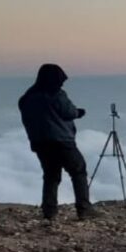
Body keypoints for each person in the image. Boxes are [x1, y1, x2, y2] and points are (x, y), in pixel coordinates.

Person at [19, 64, 98, 220]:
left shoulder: (27, 97)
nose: (62, 83)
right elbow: (68, 112)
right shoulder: (56, 94)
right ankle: (84, 209)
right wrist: (78, 112)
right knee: (78, 171)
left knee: (51, 175)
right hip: (61, 141)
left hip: (40, 142)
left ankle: (49, 211)